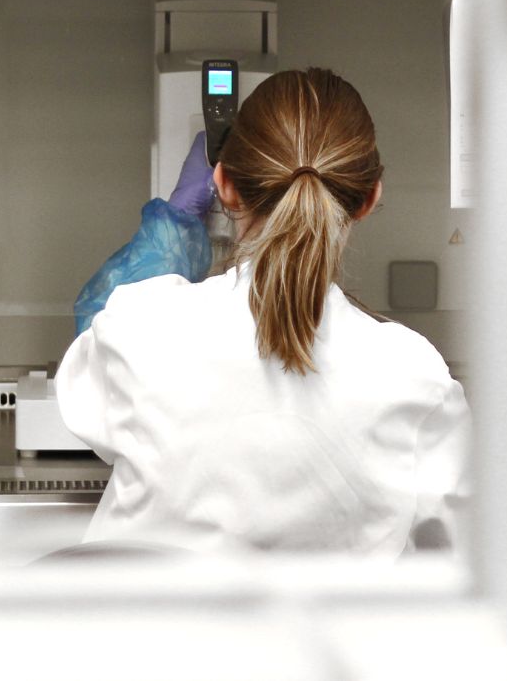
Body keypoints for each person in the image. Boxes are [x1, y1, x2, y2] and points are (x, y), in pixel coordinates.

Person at [55, 68, 469, 555]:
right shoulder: (414, 375)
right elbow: (464, 557)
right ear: (368, 198)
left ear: (224, 185)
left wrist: (173, 226)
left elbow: (84, 382)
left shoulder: (140, 326)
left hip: (153, 632)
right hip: (324, 634)